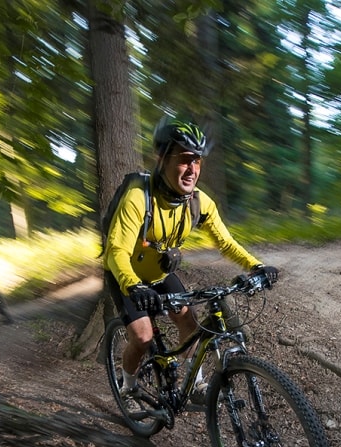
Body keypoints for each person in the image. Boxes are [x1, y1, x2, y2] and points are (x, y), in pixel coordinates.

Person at [103, 119, 278, 398]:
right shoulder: (139, 197)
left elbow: (225, 242)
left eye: (197, 161)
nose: (192, 169)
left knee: (189, 325)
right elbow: (116, 251)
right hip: (127, 277)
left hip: (159, 275)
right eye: (185, 160)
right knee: (143, 336)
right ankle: (129, 388)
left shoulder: (199, 202)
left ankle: (195, 385)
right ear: (162, 158)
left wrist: (256, 266)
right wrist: (134, 286)